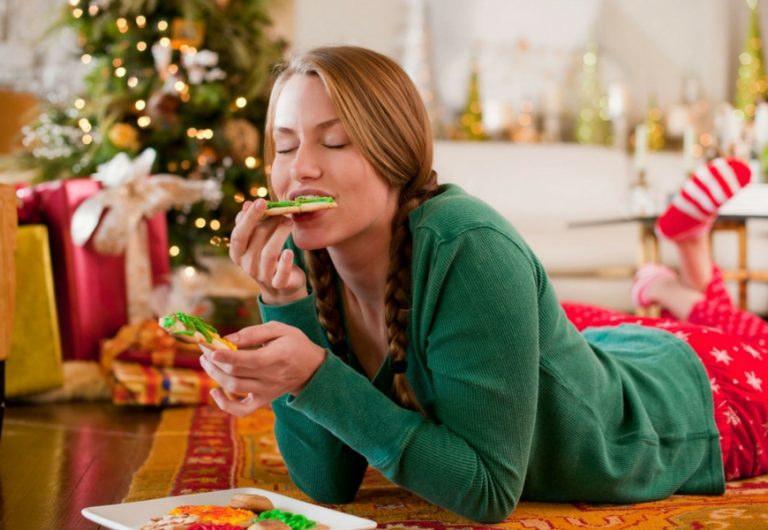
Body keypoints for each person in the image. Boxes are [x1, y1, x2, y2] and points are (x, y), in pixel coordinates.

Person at [198, 45, 768, 523]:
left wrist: (315, 374)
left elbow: (487, 491)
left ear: (394, 154)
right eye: (287, 144)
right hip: (604, 354)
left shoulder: (468, 247)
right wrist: (283, 306)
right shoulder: (303, 257)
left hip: (705, 403)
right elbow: (327, 482)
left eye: (335, 141)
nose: (300, 169)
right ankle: (676, 289)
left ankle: (687, 268)